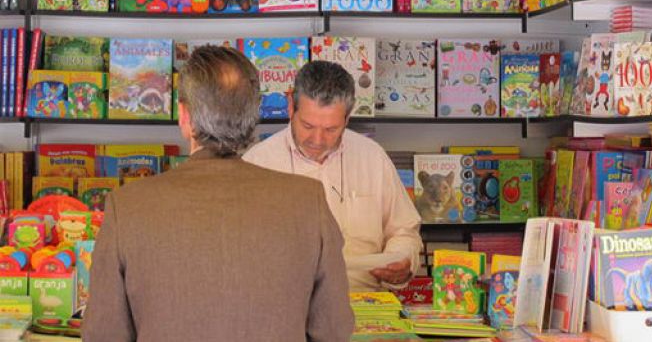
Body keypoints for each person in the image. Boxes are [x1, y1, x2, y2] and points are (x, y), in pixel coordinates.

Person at [83, 46, 353, 342]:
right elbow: (333, 330)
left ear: (184, 116)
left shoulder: (128, 206)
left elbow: (103, 334)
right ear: (253, 115)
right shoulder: (307, 201)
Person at [243, 60, 423, 292]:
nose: (317, 140)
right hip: (284, 311)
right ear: (290, 106)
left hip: (363, 306)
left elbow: (404, 230)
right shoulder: (257, 163)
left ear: (347, 118)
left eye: (331, 129)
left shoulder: (372, 157)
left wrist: (402, 260)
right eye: (307, 125)